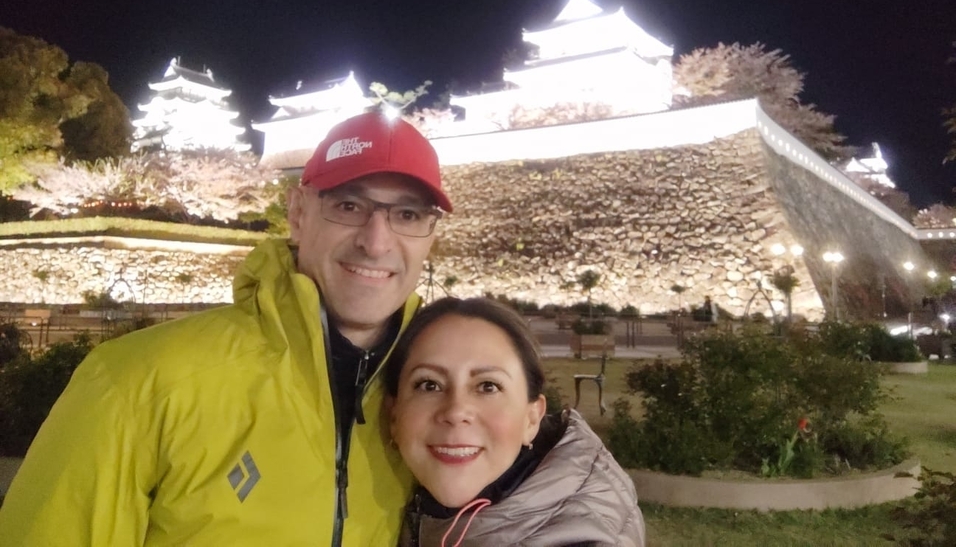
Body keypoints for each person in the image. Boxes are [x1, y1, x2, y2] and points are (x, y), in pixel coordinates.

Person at [0, 110, 453, 546]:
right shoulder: (138, 383)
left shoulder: (434, 404)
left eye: (408, 215)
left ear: (431, 235)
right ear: (298, 213)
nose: (375, 242)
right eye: (349, 205)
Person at [384, 297, 645, 547]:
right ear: (393, 413)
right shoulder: (414, 506)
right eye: (429, 385)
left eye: (488, 386)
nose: (456, 411)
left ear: (531, 418)